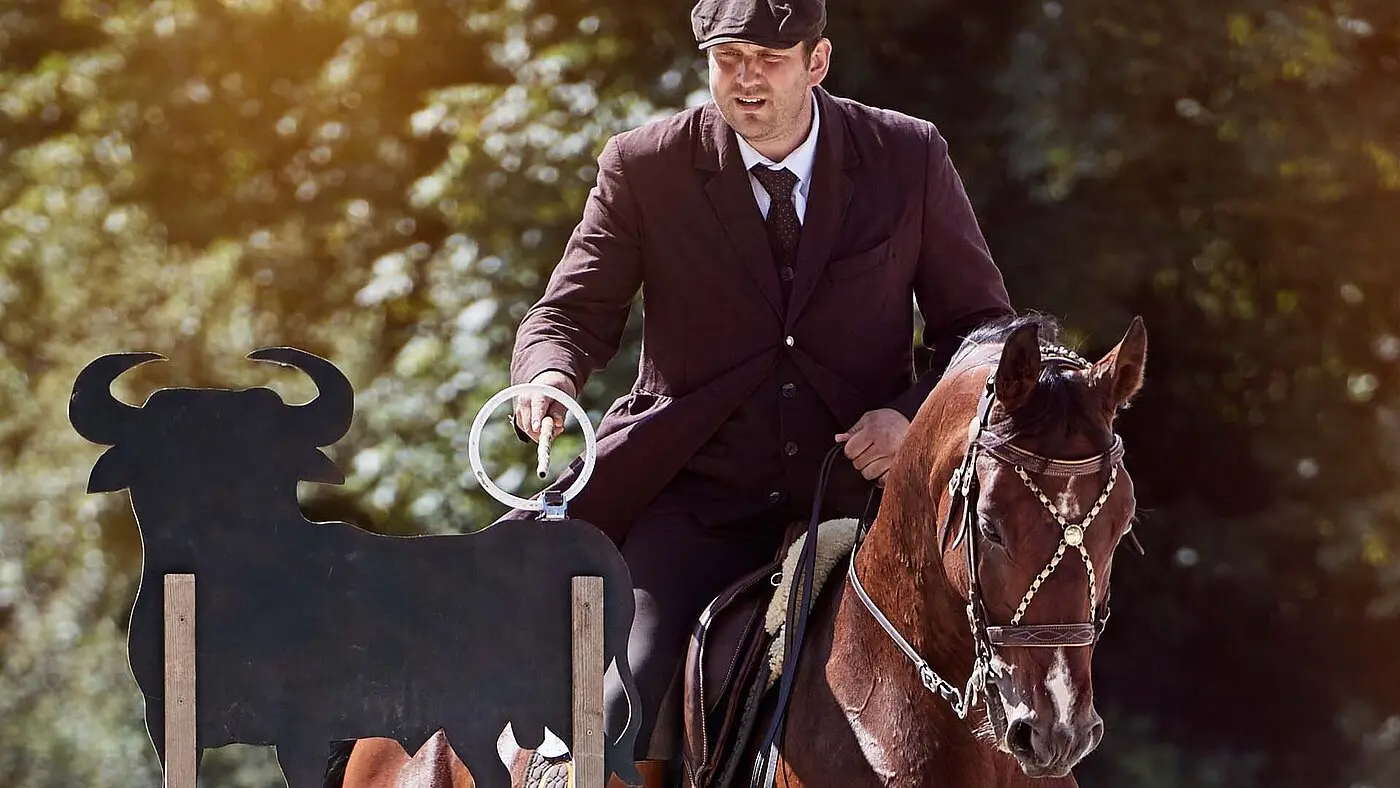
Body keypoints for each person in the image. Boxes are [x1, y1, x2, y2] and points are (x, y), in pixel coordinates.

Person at [502, 0, 1014, 780]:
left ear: (817, 62)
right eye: (728, 59)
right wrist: (545, 377)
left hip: (868, 505)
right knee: (616, 711)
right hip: (694, 502)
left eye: (769, 60)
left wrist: (911, 422)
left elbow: (983, 329)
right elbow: (568, 314)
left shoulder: (909, 154)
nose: (746, 79)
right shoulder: (643, 165)